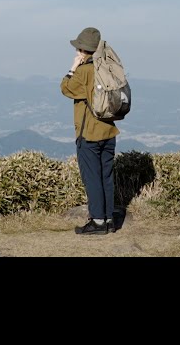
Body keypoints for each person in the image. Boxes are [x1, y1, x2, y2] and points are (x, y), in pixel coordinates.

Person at [61, 26, 119, 235]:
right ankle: (109, 219)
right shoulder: (107, 68)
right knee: (106, 177)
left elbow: (65, 88)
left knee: (92, 178)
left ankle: (97, 222)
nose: (77, 53)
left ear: (84, 51)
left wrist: (73, 67)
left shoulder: (84, 71)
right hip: (109, 131)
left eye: (79, 50)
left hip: (89, 133)